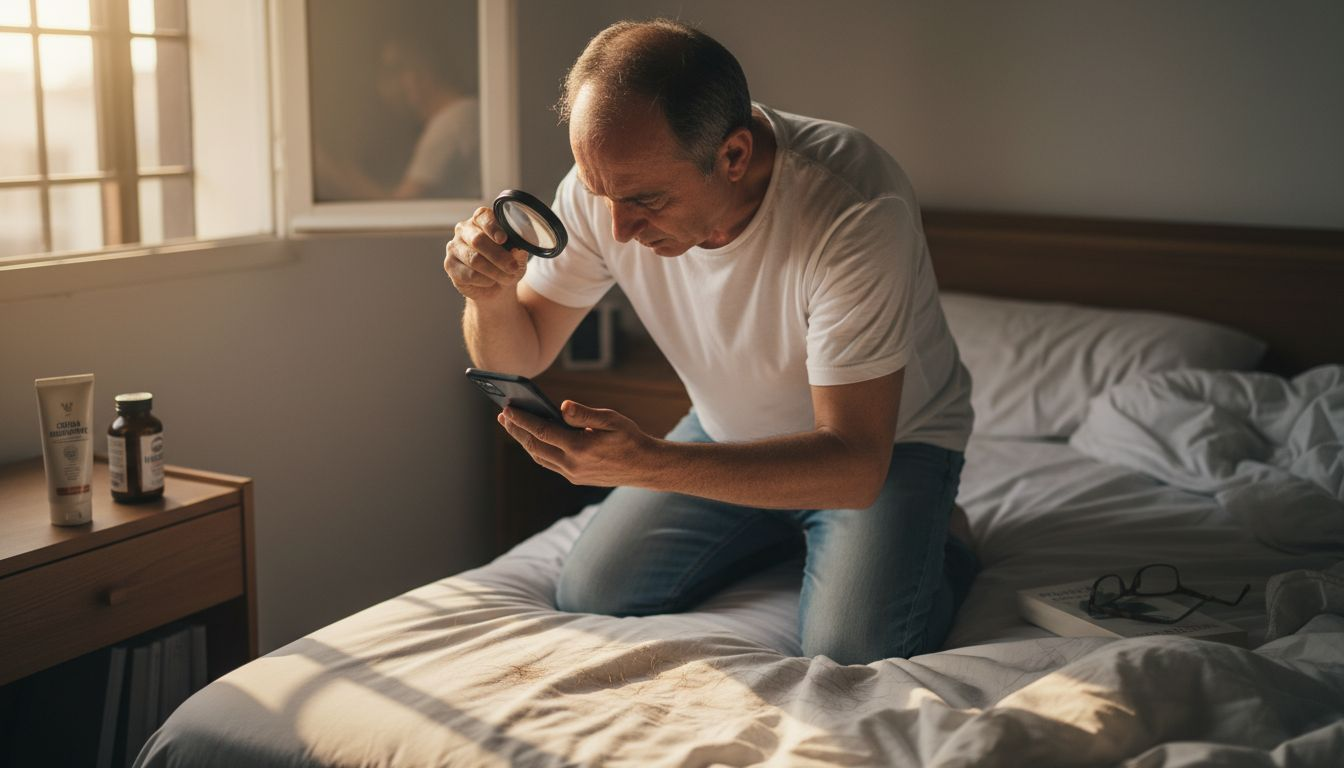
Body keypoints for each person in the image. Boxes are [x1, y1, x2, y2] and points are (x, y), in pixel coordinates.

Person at [443, 19, 976, 664]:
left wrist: (647, 462)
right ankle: (786, 527)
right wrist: (490, 295)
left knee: (853, 649)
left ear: (732, 156)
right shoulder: (609, 190)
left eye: (646, 200)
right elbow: (517, 357)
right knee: (593, 591)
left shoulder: (853, 208)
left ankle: (938, 537)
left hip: (886, 449)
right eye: (599, 193)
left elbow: (855, 464)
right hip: (725, 428)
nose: (617, 226)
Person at [315, 36, 480, 200]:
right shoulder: (470, 111)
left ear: (414, 76)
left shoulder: (448, 126)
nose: (383, 92)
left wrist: (328, 169)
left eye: (389, 75)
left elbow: (399, 206)